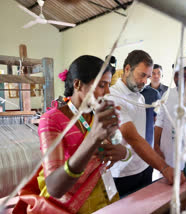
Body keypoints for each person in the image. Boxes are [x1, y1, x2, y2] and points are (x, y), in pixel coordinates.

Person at [13, 55, 129, 214]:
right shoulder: (51, 120)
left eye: (109, 85)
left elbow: (112, 148)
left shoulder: (95, 114)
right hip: (68, 206)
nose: (107, 91)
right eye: (102, 85)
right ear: (78, 84)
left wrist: (123, 152)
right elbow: (54, 187)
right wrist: (93, 138)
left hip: (104, 198)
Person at [109, 50, 185, 197]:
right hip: (124, 173)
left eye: (148, 77)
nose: (145, 81)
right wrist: (164, 168)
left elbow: (144, 132)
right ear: (127, 69)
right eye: (142, 75)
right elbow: (133, 137)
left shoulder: (139, 97)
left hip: (144, 167)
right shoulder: (113, 97)